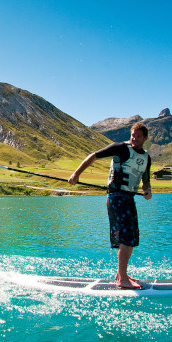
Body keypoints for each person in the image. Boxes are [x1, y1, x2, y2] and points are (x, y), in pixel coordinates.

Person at [68, 122, 153, 289]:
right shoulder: (120, 148)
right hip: (117, 197)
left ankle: (122, 274)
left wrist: (148, 190)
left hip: (129, 199)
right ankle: (122, 279)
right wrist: (76, 174)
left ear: (145, 138)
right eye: (132, 135)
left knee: (131, 237)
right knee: (126, 238)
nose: (134, 138)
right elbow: (93, 155)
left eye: (138, 136)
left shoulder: (146, 157)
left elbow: (146, 180)